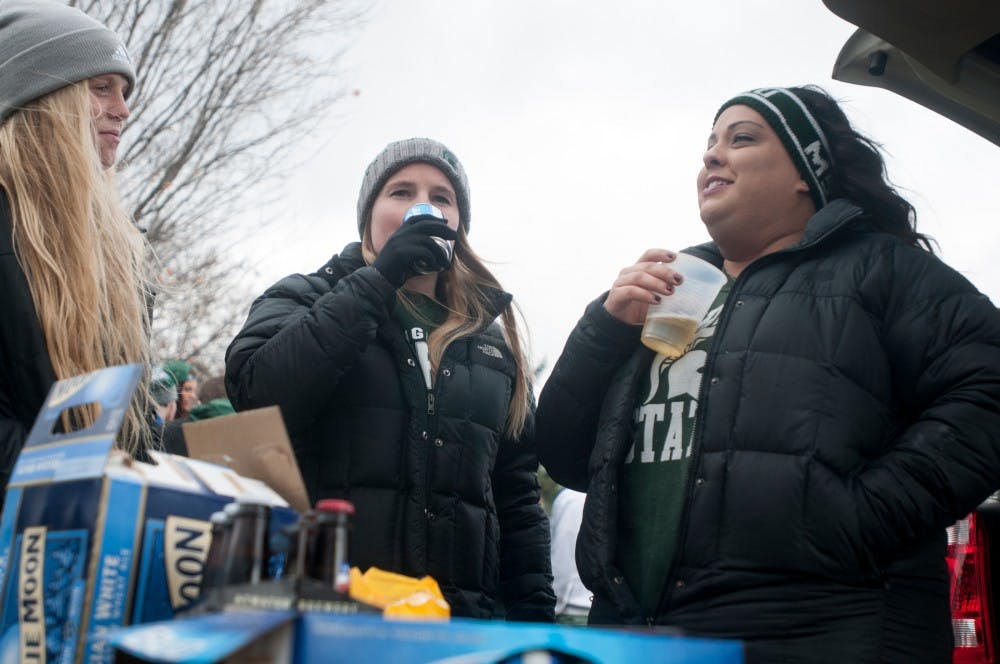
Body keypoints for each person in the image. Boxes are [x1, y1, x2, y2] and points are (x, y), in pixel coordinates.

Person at [535, 86, 1000, 662]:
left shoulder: (879, 269)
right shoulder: (671, 291)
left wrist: (863, 517)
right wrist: (603, 329)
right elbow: (562, 454)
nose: (711, 156)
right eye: (709, 143)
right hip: (638, 636)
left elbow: (988, 388)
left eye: (742, 138)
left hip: (820, 631)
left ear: (808, 171)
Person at [226, 138, 555, 621]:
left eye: (442, 197)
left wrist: (535, 625)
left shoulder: (491, 342)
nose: (422, 207)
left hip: (458, 627)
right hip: (330, 618)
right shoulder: (306, 296)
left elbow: (517, 499)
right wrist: (382, 279)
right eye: (400, 192)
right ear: (369, 215)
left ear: (458, 225)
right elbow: (257, 396)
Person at [0, 0, 150, 490]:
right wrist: (77, 477)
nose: (123, 109)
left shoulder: (119, 251)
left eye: (124, 91)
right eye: (101, 87)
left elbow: (129, 429)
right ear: (40, 97)